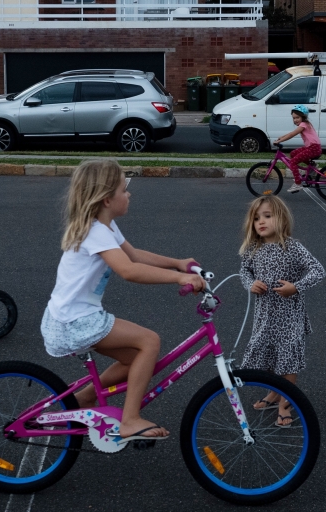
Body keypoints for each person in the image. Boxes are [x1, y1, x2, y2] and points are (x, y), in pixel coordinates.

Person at [41, 159, 204, 443]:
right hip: (75, 319)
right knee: (149, 342)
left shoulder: (105, 226)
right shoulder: (96, 231)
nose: (128, 194)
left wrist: (177, 264)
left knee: (137, 360)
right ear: (106, 199)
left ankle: (84, 398)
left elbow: (135, 255)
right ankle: (129, 421)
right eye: (123, 189)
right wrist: (178, 279)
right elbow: (129, 270)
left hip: (73, 314)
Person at [239, 195, 325, 428]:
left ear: (281, 218)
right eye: (256, 218)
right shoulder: (253, 249)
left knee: (287, 360)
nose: (261, 222)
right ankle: (274, 393)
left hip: (289, 317)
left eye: (267, 216)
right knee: (267, 356)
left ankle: (285, 404)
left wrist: (295, 287)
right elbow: (244, 272)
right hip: (265, 316)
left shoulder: (293, 247)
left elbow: (318, 271)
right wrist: (251, 284)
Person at [274, 105, 322, 194]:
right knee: (293, 153)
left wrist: (280, 141)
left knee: (292, 162)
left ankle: (298, 183)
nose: (295, 120)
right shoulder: (304, 124)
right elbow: (292, 133)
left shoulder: (303, 124)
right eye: (293, 118)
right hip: (312, 147)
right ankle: (312, 166)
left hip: (313, 148)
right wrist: (281, 137)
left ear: (303, 117)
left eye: (297, 117)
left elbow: (292, 134)